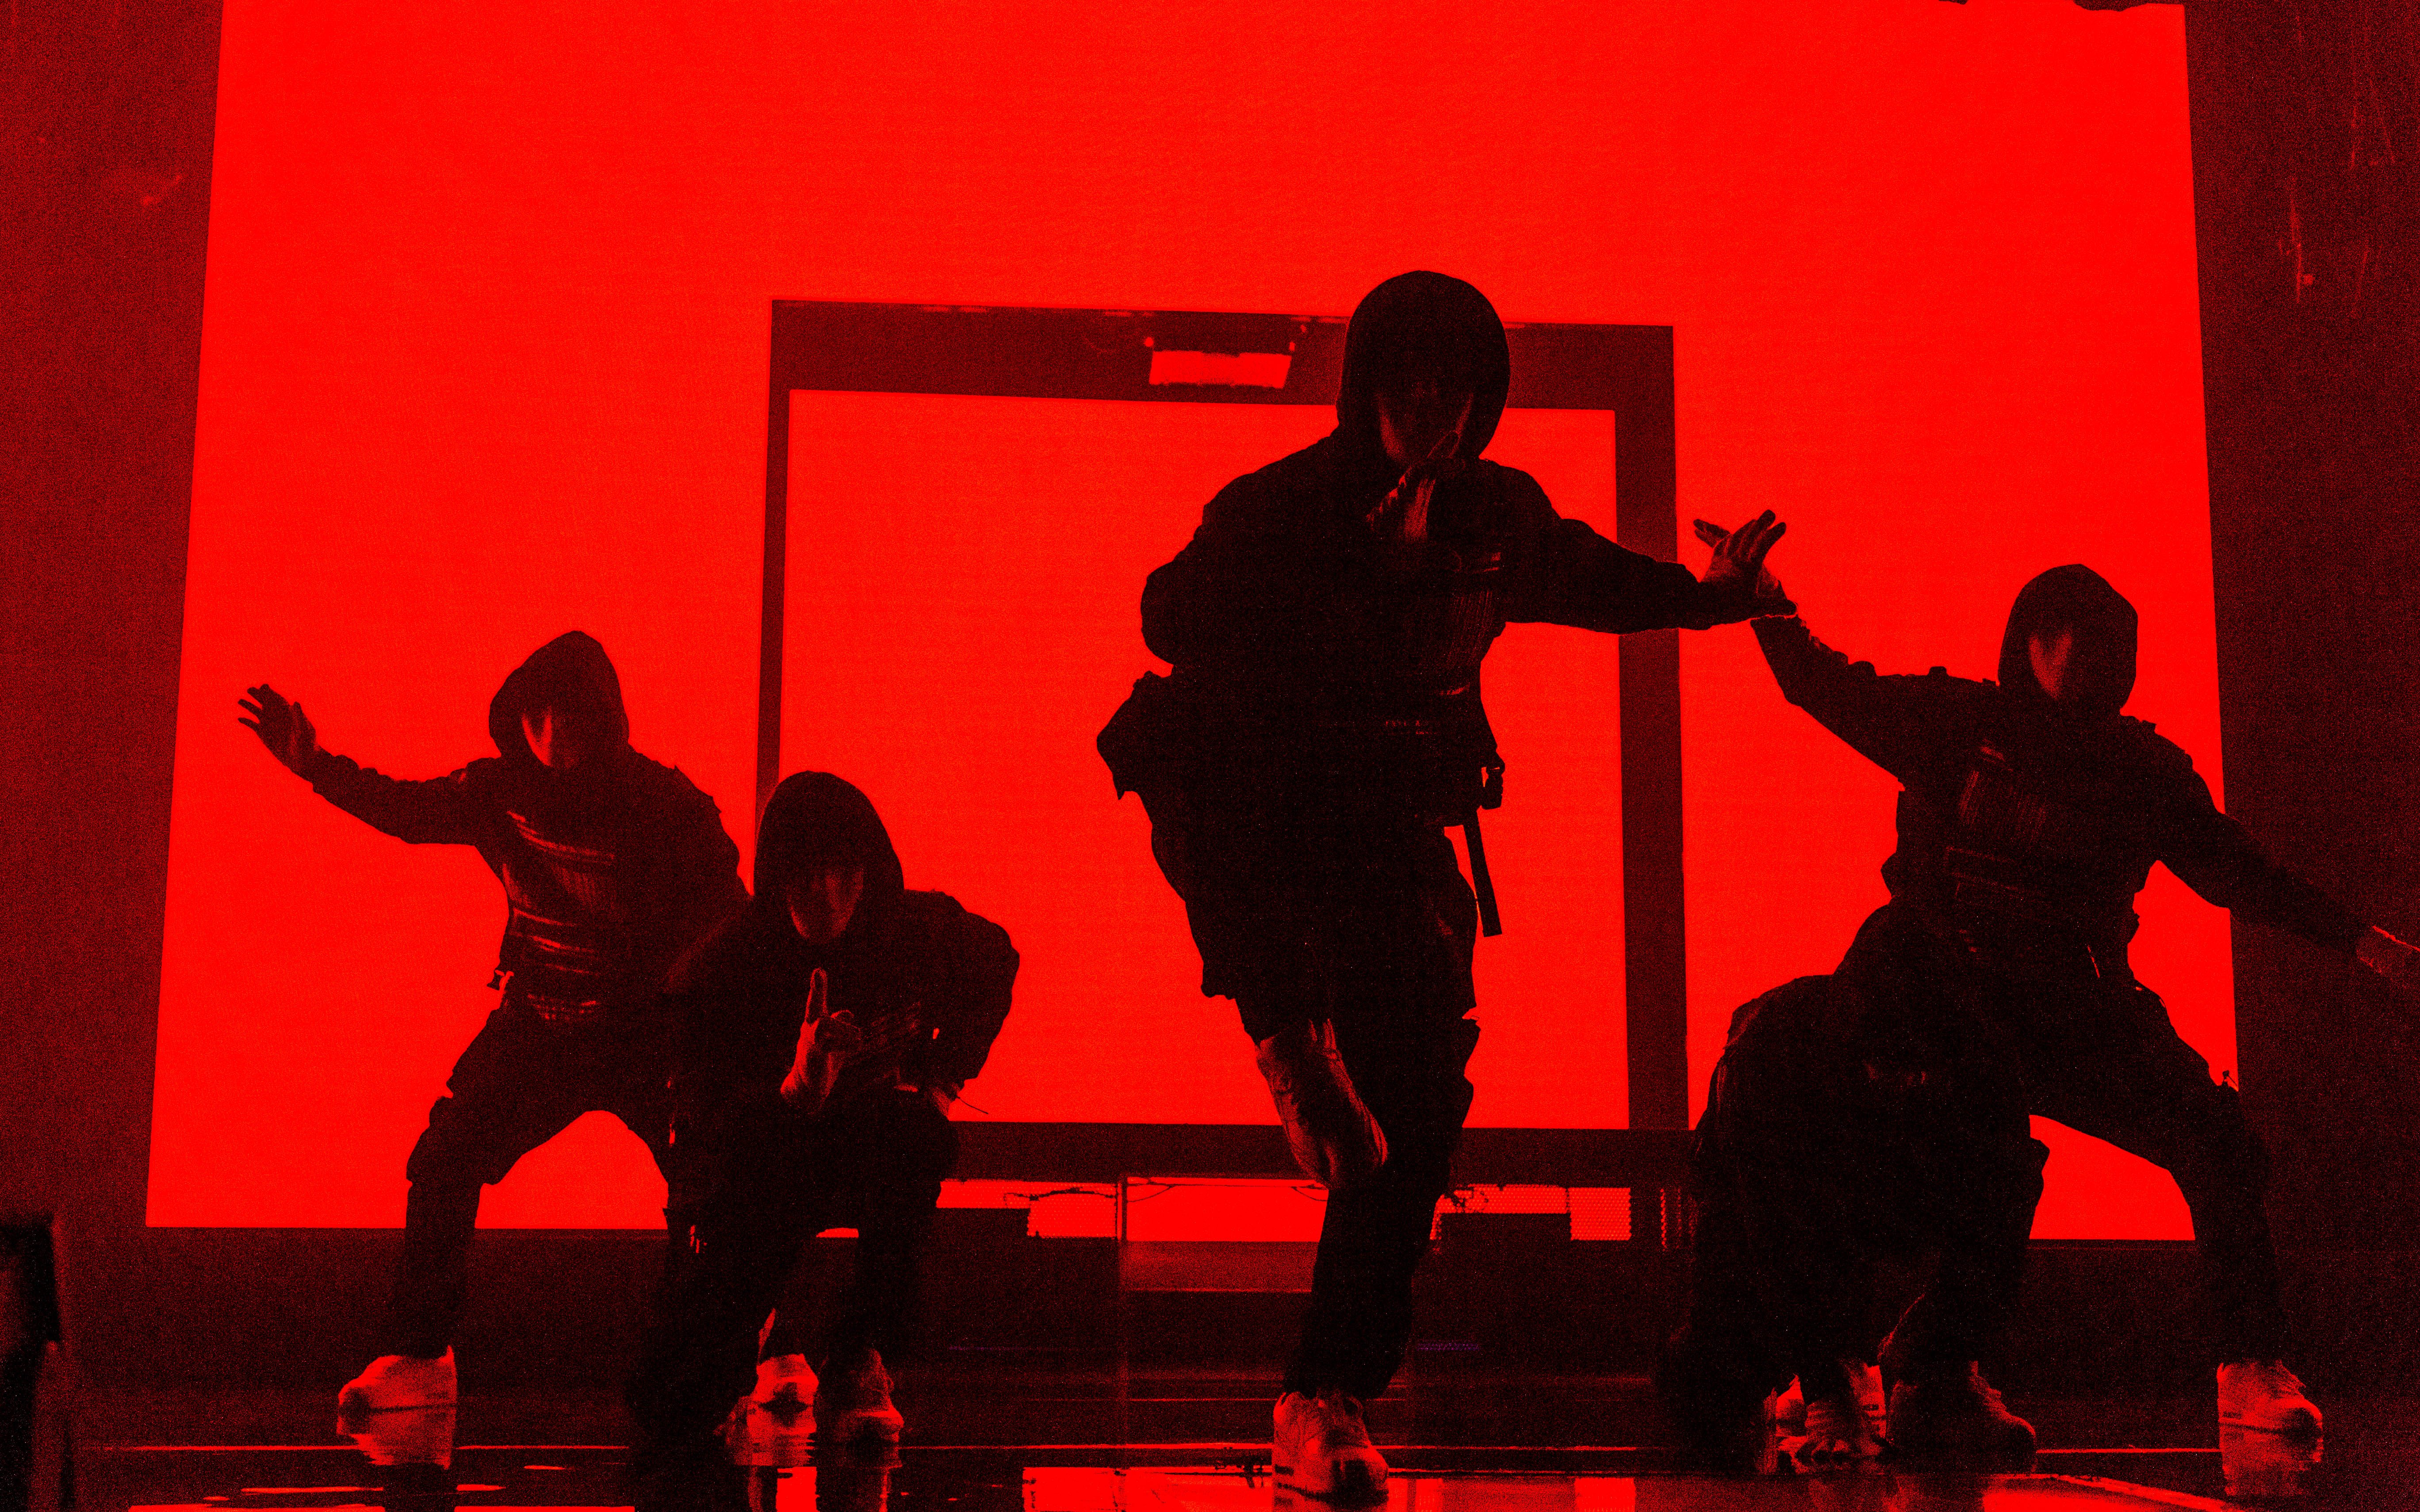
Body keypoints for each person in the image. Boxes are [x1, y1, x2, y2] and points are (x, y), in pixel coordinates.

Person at [1099, 271, 1791, 1502]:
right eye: (1405, 383)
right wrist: (1338, 566)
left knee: (1416, 1106)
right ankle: (1286, 1034)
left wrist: (1714, 596)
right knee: (1224, 818)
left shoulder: (1496, 514)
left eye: (1452, 387)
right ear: (1368, 387)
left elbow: (1590, 578)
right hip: (1258, 800)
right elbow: (1167, 615)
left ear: (1482, 400)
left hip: (1395, 831)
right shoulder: (1284, 502)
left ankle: (1327, 1388)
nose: (1428, 408)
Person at [1737, 556, 2420, 1453]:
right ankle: (1862, 1364)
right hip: (1940, 1012)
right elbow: (1825, 688)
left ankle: (2249, 1363)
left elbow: (2240, 873)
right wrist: (1766, 606)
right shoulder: (1956, 723)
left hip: (2079, 1011)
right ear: (2028, 642)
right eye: (2069, 638)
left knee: (2216, 1139)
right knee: (1924, 1175)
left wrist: (2363, 941)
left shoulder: (2143, 770)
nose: (2090, 660)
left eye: (2109, 647)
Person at [238, 632, 747, 1413]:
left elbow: (731, 918)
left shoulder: (668, 806)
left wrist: (718, 1021)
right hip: (541, 1025)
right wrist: (315, 765)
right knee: (445, 1159)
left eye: (572, 716)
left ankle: (740, 1353)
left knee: (718, 1184)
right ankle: (419, 1354)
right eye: (538, 717)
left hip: (649, 1035)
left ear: (606, 720)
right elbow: (406, 809)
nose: (555, 735)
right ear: (517, 720)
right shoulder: (497, 789)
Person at [626, 772, 1016, 1468]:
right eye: (805, 875)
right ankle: (754, 1339)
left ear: (870, 871)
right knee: (669, 1404)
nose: (826, 894)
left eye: (844, 871)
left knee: (919, 1140)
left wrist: (942, 1079)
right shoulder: (722, 972)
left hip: (873, 1143)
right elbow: (707, 1140)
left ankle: (860, 1354)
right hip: (760, 1171)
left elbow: (998, 961)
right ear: (777, 880)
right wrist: (796, 1092)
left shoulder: (918, 931)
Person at [1660, 972, 2046, 1473]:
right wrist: (1827, 1389)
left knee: (2006, 1176)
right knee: (1708, 1391)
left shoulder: (1982, 1049)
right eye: (1889, 1070)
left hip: (1894, 1185)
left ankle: (1936, 1377)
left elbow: (2008, 1190)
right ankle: (1784, 1375)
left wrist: (1948, 1342)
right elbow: (1772, 1229)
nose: (1905, 1082)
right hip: (1766, 1199)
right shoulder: (1771, 1054)